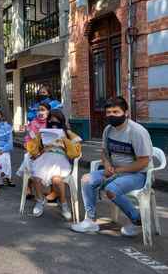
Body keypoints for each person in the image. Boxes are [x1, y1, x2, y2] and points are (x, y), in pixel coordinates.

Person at [71, 97, 153, 237]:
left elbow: (144, 161)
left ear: (126, 113)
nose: (112, 115)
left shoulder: (137, 132)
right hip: (114, 170)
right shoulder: (108, 129)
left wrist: (118, 170)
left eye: (116, 111)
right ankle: (90, 220)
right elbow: (104, 152)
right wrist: (107, 164)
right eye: (109, 112)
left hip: (138, 174)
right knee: (86, 179)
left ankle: (137, 220)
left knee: (111, 189)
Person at [25, 110, 82, 220]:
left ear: (61, 121)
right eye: (51, 119)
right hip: (45, 157)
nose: (53, 121)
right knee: (36, 178)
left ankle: (64, 204)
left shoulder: (67, 132)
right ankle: (40, 201)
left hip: (60, 159)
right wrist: (36, 137)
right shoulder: (43, 131)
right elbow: (33, 148)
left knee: (57, 179)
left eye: (56, 120)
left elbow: (77, 145)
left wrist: (64, 138)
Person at [17, 102, 51, 199]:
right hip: (34, 149)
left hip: (47, 150)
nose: (40, 112)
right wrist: (30, 148)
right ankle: (28, 187)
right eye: (38, 110)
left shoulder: (51, 123)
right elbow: (28, 138)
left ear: (48, 112)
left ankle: (45, 187)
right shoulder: (32, 123)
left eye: (43, 110)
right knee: (28, 157)